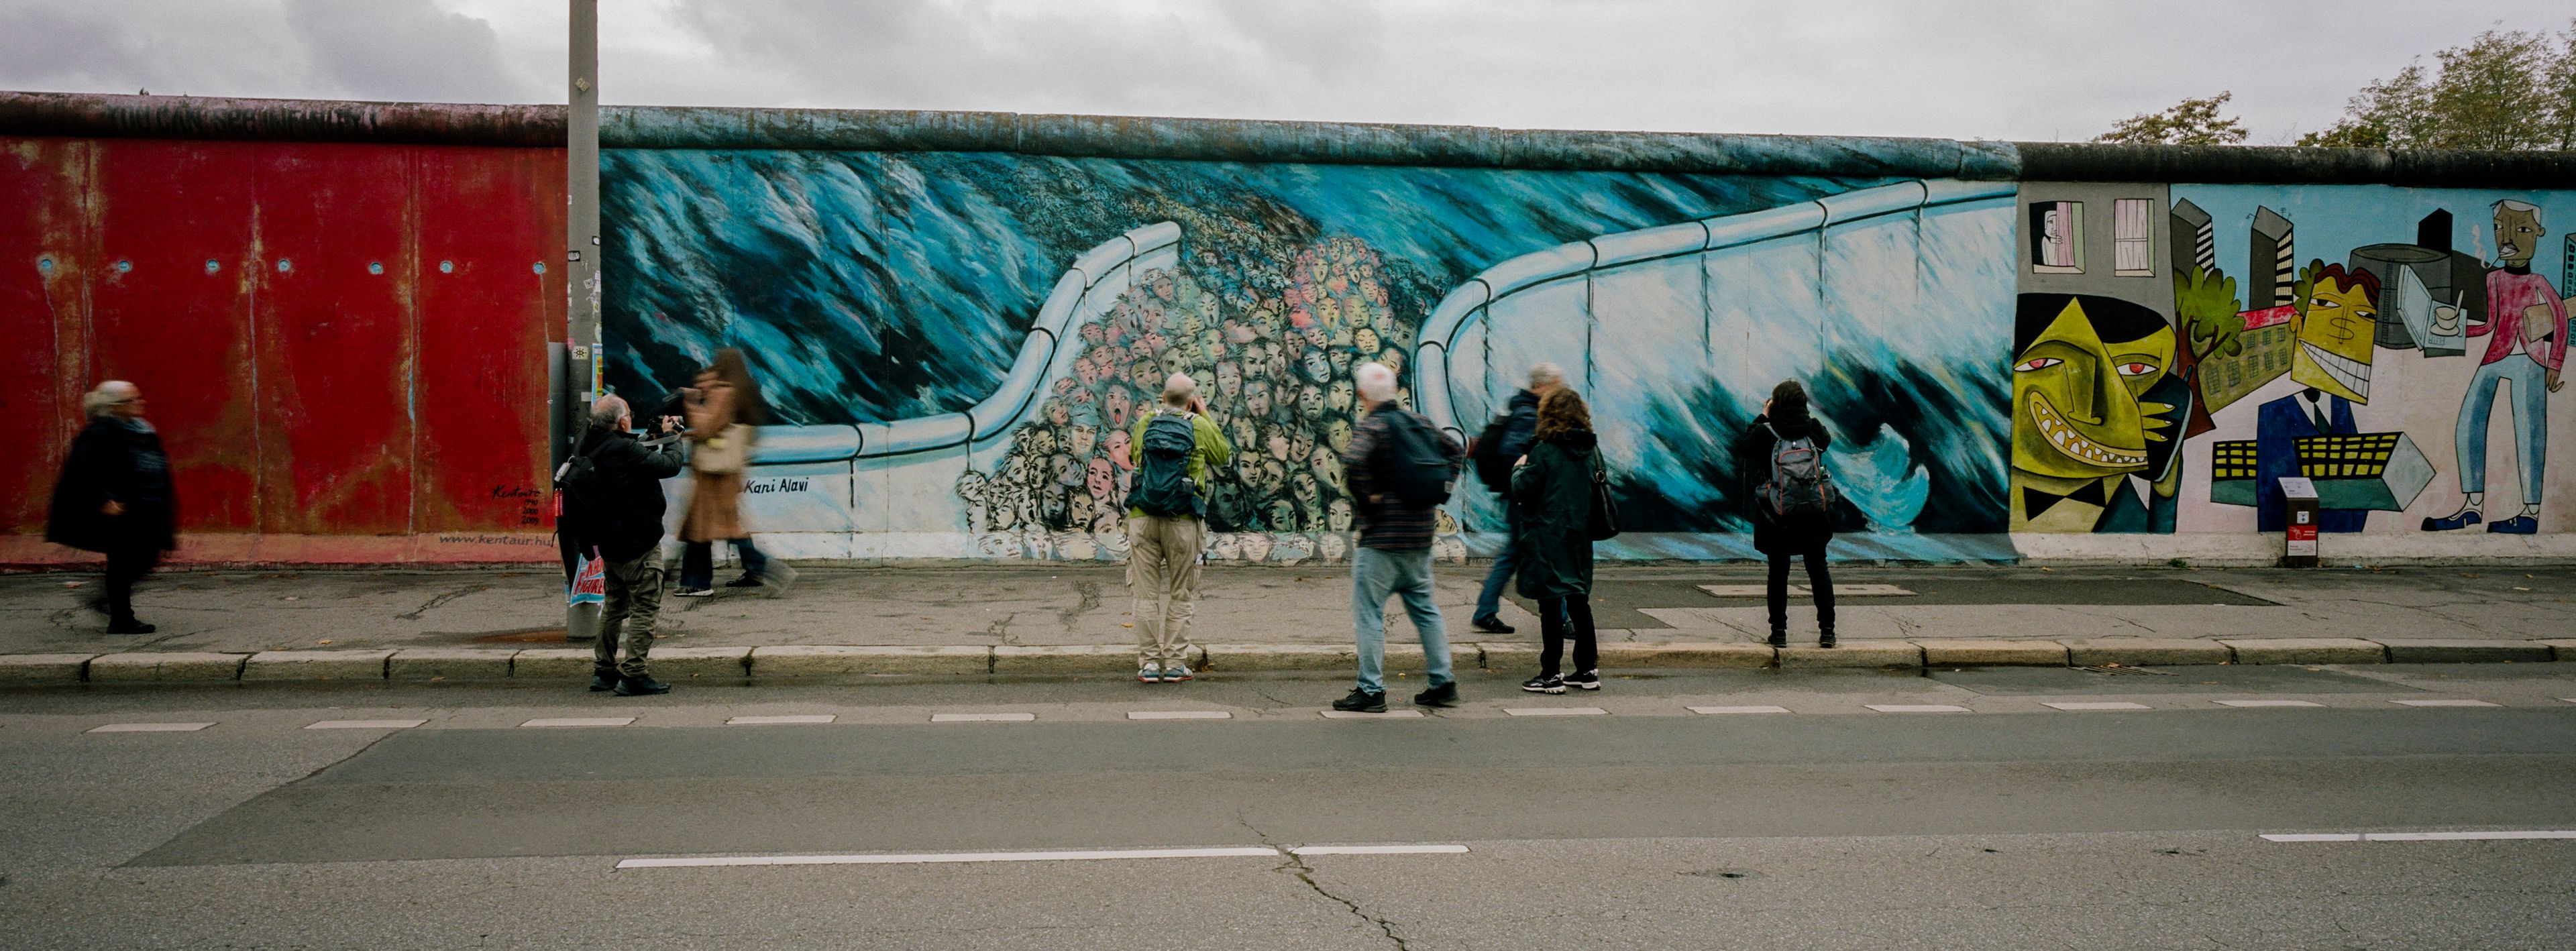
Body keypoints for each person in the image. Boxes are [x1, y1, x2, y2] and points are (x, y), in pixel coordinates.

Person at [2424, 199, 2565, 535]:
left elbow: (2560, 319)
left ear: (2539, 235)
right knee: (2469, 422)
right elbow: (2489, 324)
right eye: (2501, 228)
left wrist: (2556, 363)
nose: (2508, 238)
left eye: (2523, 229)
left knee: (2530, 432)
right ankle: (2472, 507)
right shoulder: (2495, 279)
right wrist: (2452, 331)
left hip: (2530, 360)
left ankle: (2530, 513)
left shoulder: (2538, 281)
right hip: (2497, 354)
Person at [1334, 362, 1462, 712]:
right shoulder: (1419, 423)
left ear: (1361, 395)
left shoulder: (1373, 427)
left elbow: (1354, 462)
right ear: (1395, 390)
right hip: (1419, 537)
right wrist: (1442, 491)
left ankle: (1371, 691)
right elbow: (1456, 450)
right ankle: (1442, 682)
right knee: (1425, 611)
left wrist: (1369, 498)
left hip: (1381, 541)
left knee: (1370, 614)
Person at [561, 395, 686, 696]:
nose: (631, 418)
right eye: (629, 413)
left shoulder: (587, 444)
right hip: (639, 543)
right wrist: (672, 437)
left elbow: (629, 455)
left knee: (614, 608)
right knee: (645, 607)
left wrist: (651, 437)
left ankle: (604, 671)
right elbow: (669, 466)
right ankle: (634, 673)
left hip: (610, 542)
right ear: (622, 421)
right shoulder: (624, 449)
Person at [1125, 373, 1232, 683]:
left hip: (1143, 517)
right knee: (1180, 594)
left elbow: (1135, 456)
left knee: (1145, 596)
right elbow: (1222, 456)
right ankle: (1173, 664)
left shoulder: (1146, 421)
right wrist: (1204, 414)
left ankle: (1148, 665)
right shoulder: (1197, 424)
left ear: (1162, 396)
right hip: (1183, 520)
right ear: (1191, 400)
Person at [46, 382, 176, 634]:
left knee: (145, 558)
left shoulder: (144, 431)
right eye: (132, 401)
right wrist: (104, 499)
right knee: (123, 562)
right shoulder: (100, 433)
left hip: (147, 506)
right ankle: (121, 619)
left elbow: (158, 466)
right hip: (120, 509)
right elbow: (82, 469)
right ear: (114, 408)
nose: (140, 403)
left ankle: (107, 603)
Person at [674, 349, 798, 596]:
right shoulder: (745, 391)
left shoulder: (724, 392)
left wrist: (691, 404)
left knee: (710, 529)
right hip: (725, 472)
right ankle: (703, 579)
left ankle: (704, 581)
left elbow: (709, 428)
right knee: (716, 528)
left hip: (714, 475)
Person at [1511, 388, 1601, 693]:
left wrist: (1519, 469)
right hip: (1579, 535)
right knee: (1579, 602)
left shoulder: (1545, 450)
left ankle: (1551, 674)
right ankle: (1587, 670)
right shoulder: (1591, 449)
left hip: (1548, 535)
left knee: (1550, 605)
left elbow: (1525, 488)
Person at [1739, 380, 1836, 649]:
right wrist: (1806, 417)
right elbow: (1825, 441)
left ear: (1776, 403)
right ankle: (1827, 631)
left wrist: (1763, 415)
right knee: (1818, 570)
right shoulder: (1813, 430)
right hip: (1813, 515)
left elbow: (1743, 448)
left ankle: (1779, 632)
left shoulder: (1764, 432)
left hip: (1777, 515)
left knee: (1778, 573)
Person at [1470, 363, 1563, 634]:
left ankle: (1485, 611)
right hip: (1526, 501)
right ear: (1541, 387)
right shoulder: (1527, 413)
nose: (1559, 391)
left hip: (1522, 499)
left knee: (1516, 556)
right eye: (1556, 385)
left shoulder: (1525, 409)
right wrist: (1535, 479)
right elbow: (1513, 453)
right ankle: (1562, 619)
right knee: (1549, 558)